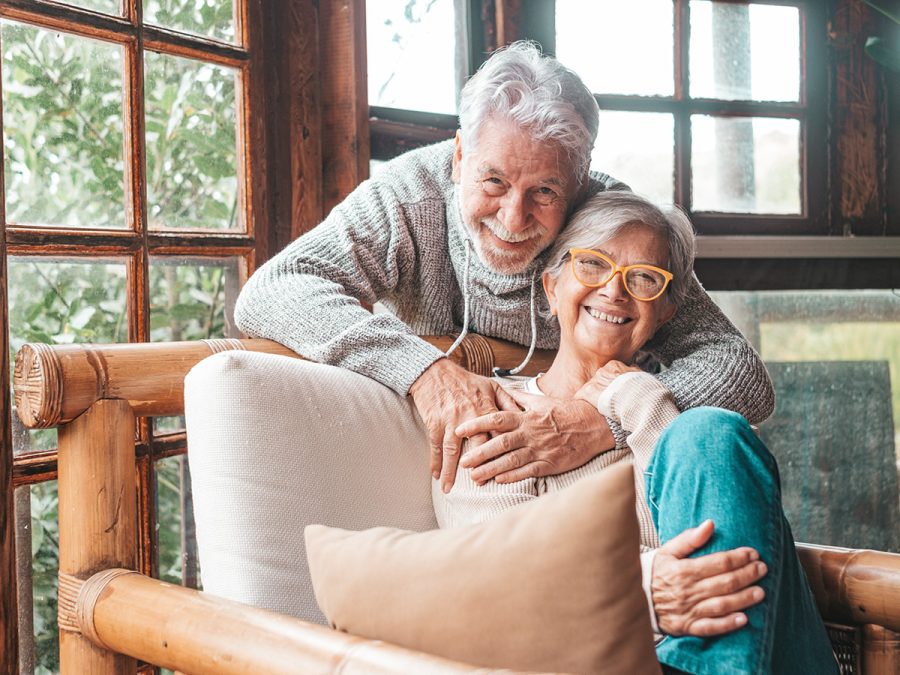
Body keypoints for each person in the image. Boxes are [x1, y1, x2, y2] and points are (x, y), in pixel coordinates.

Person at [234, 40, 773, 635]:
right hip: (503, 499)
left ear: (579, 182)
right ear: (460, 154)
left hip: (623, 474)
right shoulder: (409, 196)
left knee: (718, 447)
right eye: (493, 181)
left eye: (544, 192)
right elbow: (276, 288)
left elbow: (739, 370)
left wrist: (598, 419)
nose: (513, 219)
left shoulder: (609, 220)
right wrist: (424, 371)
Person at [435, 190, 838, 675]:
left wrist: (634, 395)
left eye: (643, 278)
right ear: (552, 286)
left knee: (712, 432)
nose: (614, 291)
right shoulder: (494, 412)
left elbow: (704, 532)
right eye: (592, 265)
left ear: (666, 311)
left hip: (723, 650)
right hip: (610, 656)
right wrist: (644, 586)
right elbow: (501, 570)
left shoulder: (669, 416)